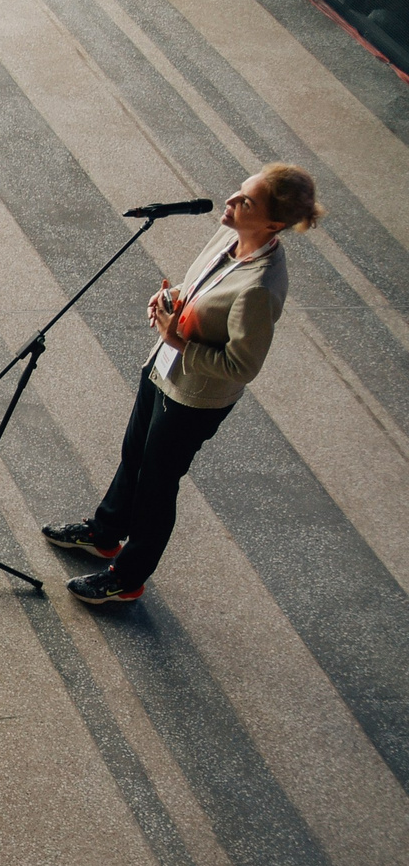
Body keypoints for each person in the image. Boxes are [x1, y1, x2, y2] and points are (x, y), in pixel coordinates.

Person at [44, 165, 323, 604]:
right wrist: (173, 296)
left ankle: (128, 577)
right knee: (133, 454)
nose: (230, 201)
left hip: (194, 398)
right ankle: (105, 532)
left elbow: (242, 366)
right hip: (164, 366)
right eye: (239, 190)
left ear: (272, 223)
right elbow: (202, 288)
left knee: (157, 484)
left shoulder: (260, 288)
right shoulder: (231, 236)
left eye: (245, 201)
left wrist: (176, 338)